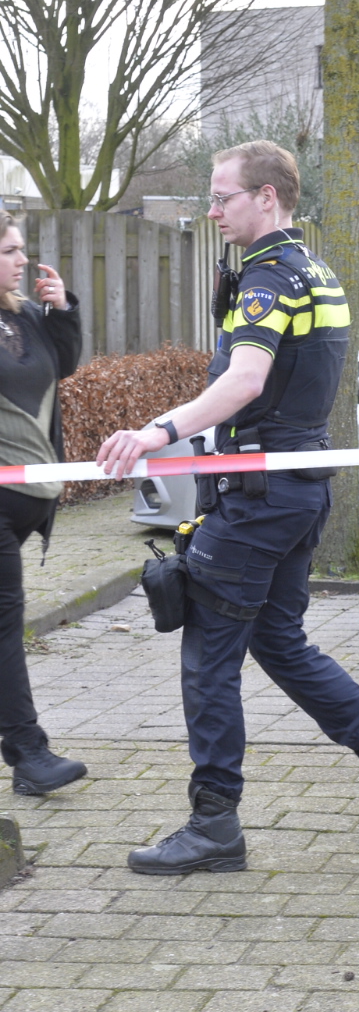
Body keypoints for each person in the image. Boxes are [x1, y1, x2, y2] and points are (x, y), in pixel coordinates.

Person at [97, 141, 359, 874]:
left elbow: (247, 380)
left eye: (223, 197)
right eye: (212, 198)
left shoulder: (269, 279)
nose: (213, 210)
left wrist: (156, 430)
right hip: (298, 489)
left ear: (267, 197)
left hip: (258, 501)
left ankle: (214, 825)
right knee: (279, 641)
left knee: (208, 659)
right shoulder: (315, 270)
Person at [0, 217, 85, 797]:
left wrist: (61, 311)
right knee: (6, 621)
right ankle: (28, 753)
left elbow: (66, 364)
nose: (22, 260)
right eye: (9, 250)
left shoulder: (24, 317)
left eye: (23, 248)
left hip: (29, 501)